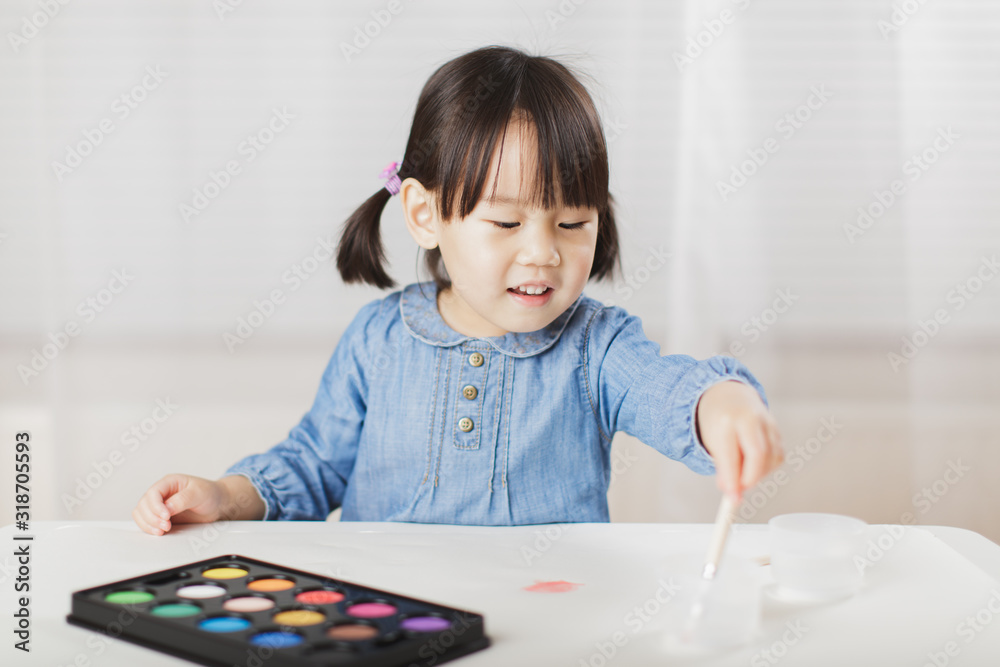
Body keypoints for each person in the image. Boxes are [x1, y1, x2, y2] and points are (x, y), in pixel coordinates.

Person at [132, 45, 783, 536]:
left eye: (573, 221)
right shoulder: (379, 339)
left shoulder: (597, 347)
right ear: (425, 214)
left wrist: (721, 402)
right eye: (506, 221)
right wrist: (223, 495)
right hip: (386, 619)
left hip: (547, 622)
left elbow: (666, 390)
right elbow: (310, 464)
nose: (544, 251)